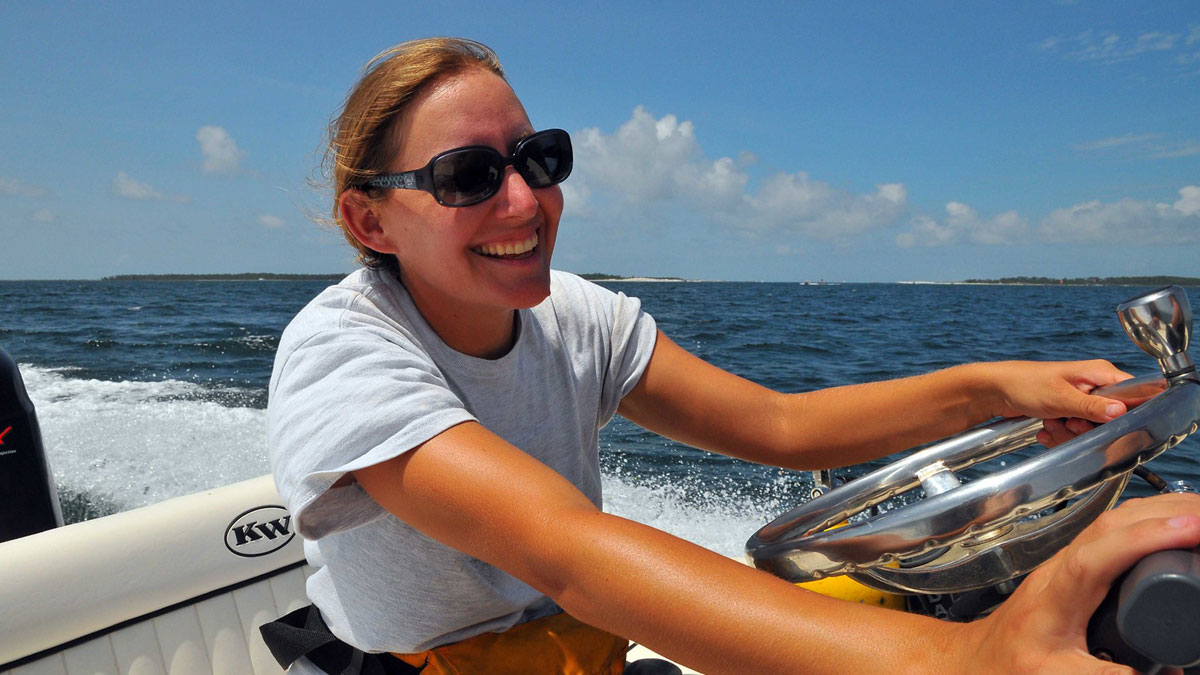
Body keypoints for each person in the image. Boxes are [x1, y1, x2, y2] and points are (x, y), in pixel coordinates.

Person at [266, 37, 1200, 674]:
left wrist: (994, 386)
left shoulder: (575, 314)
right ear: (368, 218)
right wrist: (965, 659)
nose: (522, 201)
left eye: (538, 159)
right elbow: (569, 553)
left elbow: (780, 425)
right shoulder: (345, 357)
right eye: (467, 176)